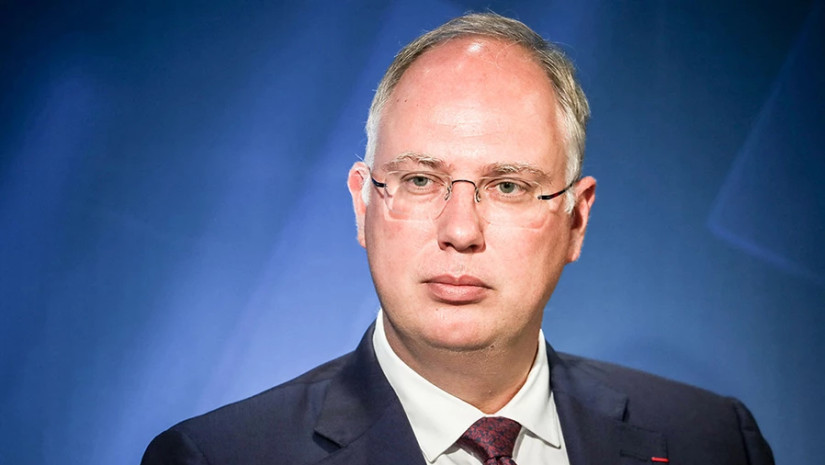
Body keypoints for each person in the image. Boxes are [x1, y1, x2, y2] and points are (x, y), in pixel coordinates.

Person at [142, 12, 774, 465]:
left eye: (509, 186)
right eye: (420, 180)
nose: (461, 231)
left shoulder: (714, 439)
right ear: (363, 205)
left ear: (575, 220)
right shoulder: (216, 456)